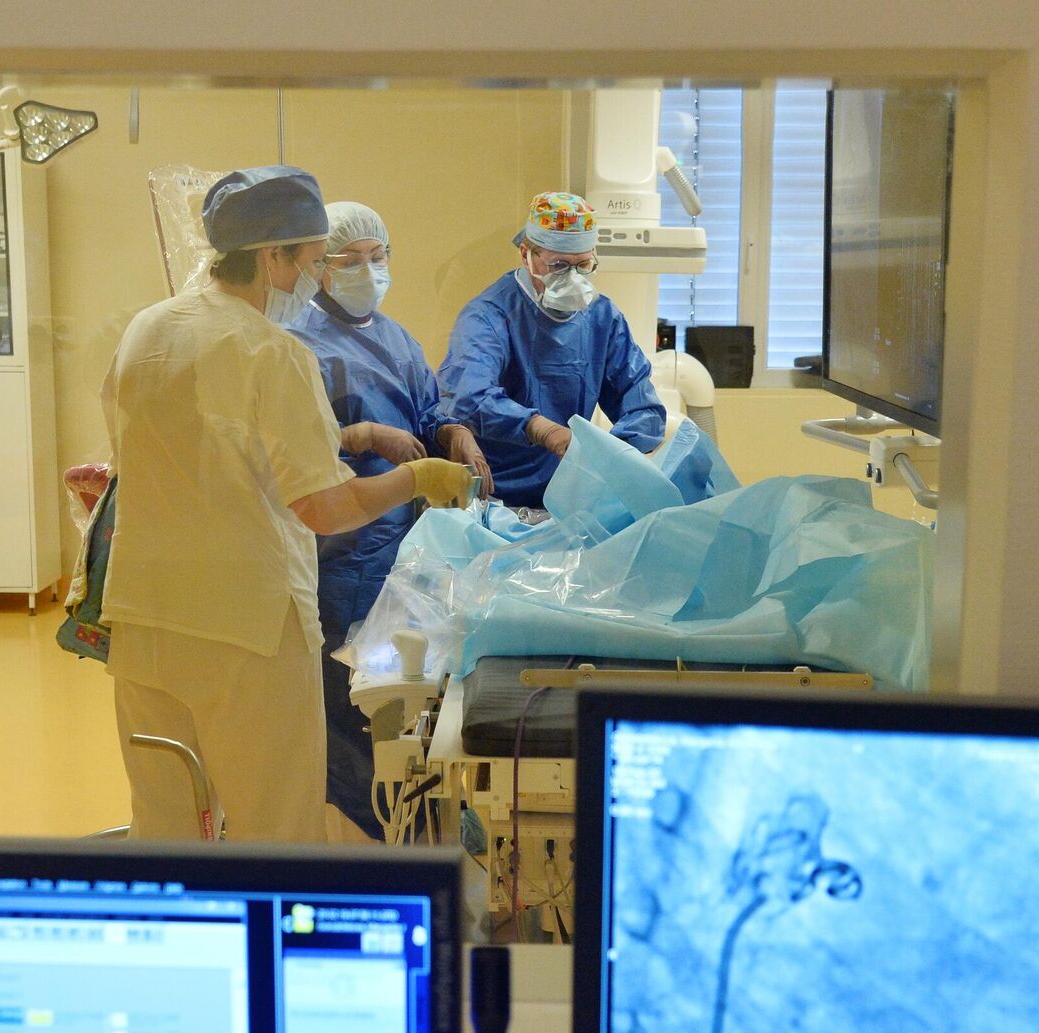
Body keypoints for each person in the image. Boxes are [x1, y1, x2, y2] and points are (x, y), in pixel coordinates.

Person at [100, 166, 472, 843]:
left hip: (145, 621)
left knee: (165, 822)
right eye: (313, 261)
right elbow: (325, 509)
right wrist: (418, 480)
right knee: (275, 827)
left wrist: (352, 437)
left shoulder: (147, 330)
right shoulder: (272, 352)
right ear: (273, 256)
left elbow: (164, 452)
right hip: (246, 632)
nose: (314, 280)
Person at [289, 201, 491, 840]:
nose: (368, 270)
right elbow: (292, 447)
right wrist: (365, 435)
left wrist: (452, 432)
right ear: (320, 266)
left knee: (405, 686)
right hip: (340, 548)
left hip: (400, 543)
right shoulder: (296, 341)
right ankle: (364, 825)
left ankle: (410, 811)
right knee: (349, 693)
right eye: (351, 260)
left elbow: (428, 408)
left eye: (378, 258)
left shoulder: (397, 337)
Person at [436, 191, 668, 508]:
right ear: (526, 255)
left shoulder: (602, 318)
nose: (572, 278)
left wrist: (608, 457)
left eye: (583, 265)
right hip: (497, 497)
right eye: (558, 265)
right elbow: (469, 396)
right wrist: (540, 429)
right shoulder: (489, 316)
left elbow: (643, 408)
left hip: (571, 494)